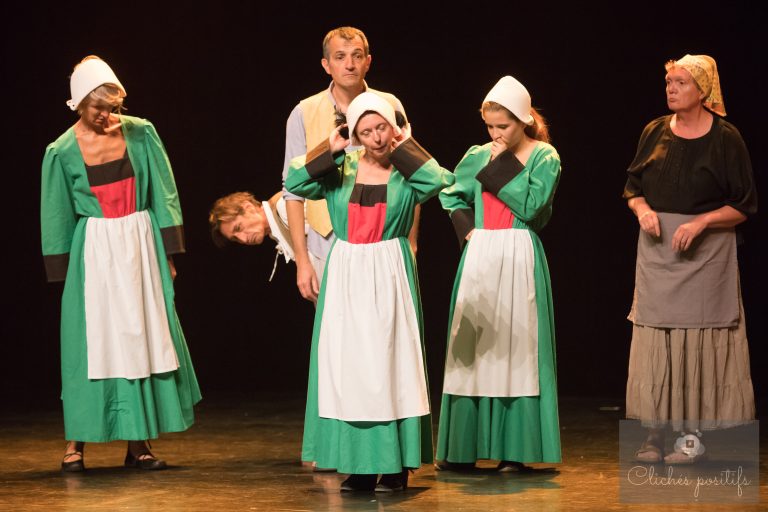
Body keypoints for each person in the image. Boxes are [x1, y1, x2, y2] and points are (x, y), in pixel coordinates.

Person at [285, 92, 454, 492]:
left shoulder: (406, 172)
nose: (377, 138)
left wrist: (407, 148)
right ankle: (359, 466)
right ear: (354, 135)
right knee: (350, 370)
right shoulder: (341, 170)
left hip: (389, 269)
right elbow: (294, 182)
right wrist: (329, 149)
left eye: (382, 128)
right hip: (347, 272)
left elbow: (440, 182)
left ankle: (396, 466)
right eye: (366, 131)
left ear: (394, 128)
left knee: (391, 366)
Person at [41, 56, 201, 472]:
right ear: (79, 103)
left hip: (140, 245)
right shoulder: (61, 151)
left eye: (112, 107)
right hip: (95, 251)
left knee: (139, 338)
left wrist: (168, 253)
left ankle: (138, 443)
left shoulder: (141, 132)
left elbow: (164, 192)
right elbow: (56, 212)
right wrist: (64, 271)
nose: (107, 115)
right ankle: (76, 443)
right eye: (98, 108)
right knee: (90, 345)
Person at [623, 54, 756, 464]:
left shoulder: (726, 138)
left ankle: (691, 438)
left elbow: (744, 205)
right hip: (658, 252)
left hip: (706, 255)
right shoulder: (654, 131)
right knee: (657, 342)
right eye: (669, 81)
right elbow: (632, 188)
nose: (671, 89)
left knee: (698, 344)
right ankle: (653, 435)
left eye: (681, 82)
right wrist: (643, 210)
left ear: (703, 90)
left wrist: (702, 223)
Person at [435, 76, 562, 471]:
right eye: (490, 126)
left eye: (503, 126)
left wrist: (501, 164)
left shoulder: (544, 156)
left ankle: (514, 450)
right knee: (471, 350)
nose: (495, 134)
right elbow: (450, 193)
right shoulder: (479, 155)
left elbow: (532, 205)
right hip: (481, 255)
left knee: (516, 351)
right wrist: (468, 230)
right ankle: (462, 449)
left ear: (524, 120)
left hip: (519, 253)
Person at [281, 26, 419, 306]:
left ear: (368, 61)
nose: (350, 64)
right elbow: (292, 190)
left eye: (357, 56)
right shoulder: (303, 112)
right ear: (326, 65)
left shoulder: (389, 104)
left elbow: (411, 176)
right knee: (338, 326)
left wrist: (411, 243)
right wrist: (302, 260)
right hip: (327, 242)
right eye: (340, 57)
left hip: (384, 242)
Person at [209, 191, 297, 279]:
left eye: (238, 228)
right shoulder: (275, 229)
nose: (243, 239)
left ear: (249, 208)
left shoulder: (283, 208)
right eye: (235, 238)